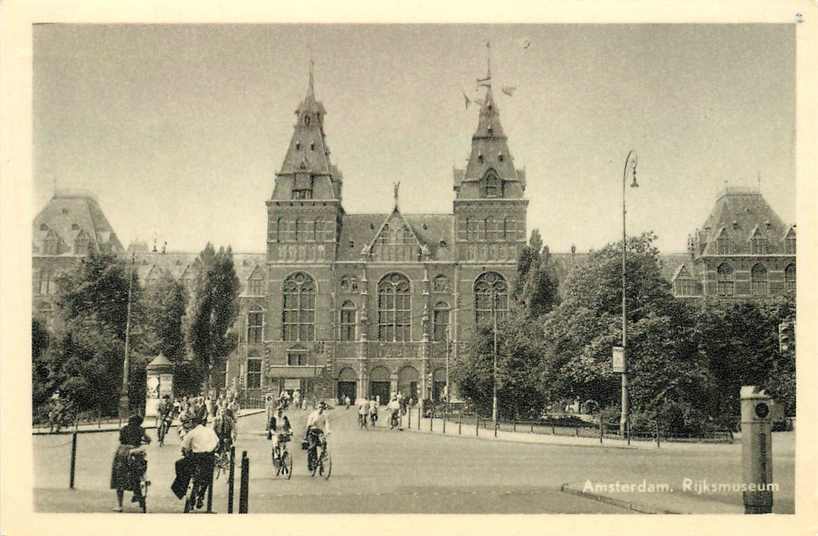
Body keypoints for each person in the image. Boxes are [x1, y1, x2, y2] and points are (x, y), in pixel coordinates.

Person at [171, 415, 220, 509]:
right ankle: (201, 496)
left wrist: (186, 453)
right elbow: (217, 444)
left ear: (194, 423)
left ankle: (182, 487)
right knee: (208, 477)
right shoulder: (210, 431)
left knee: (179, 464)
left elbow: (184, 448)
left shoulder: (192, 433)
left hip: (196, 458)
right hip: (209, 457)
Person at [111, 414, 151, 512]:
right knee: (139, 473)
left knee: (119, 477)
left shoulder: (123, 429)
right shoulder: (141, 429)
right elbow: (148, 439)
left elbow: (121, 440)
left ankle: (120, 505)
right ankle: (141, 501)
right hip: (136, 451)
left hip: (123, 452)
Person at [303, 401, 330, 472]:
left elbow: (327, 424)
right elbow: (308, 425)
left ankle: (322, 462)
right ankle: (310, 463)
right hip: (312, 432)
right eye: (320, 407)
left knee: (324, 444)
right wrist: (306, 436)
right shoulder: (312, 415)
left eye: (322, 408)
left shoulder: (324, 415)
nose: (321, 409)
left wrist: (328, 431)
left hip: (320, 432)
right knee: (312, 447)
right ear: (317, 407)